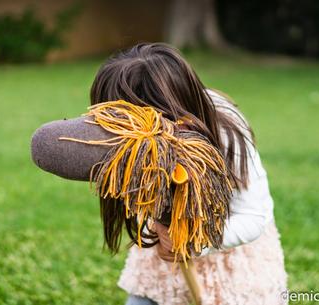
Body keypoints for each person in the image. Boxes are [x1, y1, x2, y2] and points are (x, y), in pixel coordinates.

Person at [86, 43, 288, 305]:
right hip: (164, 256)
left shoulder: (225, 127)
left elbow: (253, 216)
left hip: (229, 255)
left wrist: (193, 240)